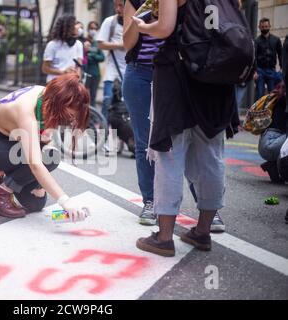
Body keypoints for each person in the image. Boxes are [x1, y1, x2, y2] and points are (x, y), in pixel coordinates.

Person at [133, 0, 236, 257]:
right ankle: (202, 231)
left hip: (178, 74)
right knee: (211, 155)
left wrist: (144, 27)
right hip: (217, 76)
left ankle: (164, 237)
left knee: (169, 153)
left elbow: (165, 28)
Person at [0, 73, 91, 219]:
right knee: (50, 158)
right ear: (60, 104)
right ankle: (0, 192)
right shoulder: (26, 110)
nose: (70, 120)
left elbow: (45, 143)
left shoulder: (47, 97)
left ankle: (0, 177)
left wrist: (38, 184)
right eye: (70, 115)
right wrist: (65, 201)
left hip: (12, 142)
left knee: (36, 203)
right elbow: (35, 163)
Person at [123, 0, 164, 226]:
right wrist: (140, 17)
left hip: (171, 73)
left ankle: (207, 206)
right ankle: (150, 201)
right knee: (144, 142)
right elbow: (128, 44)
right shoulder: (136, 1)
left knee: (183, 141)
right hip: (139, 74)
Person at [97, 0, 127, 123]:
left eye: (121, 5)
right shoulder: (110, 22)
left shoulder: (137, 22)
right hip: (112, 70)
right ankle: (104, 135)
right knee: (107, 101)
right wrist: (119, 46)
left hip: (130, 70)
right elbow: (101, 44)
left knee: (127, 105)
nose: (117, 9)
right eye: (115, 5)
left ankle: (125, 135)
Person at [42, 15, 83, 83]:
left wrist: (78, 80)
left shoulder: (78, 44)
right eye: (75, 24)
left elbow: (79, 66)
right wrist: (63, 72)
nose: (78, 26)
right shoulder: (52, 45)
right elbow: (45, 68)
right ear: (68, 27)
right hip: (55, 83)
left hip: (71, 84)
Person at [255, 18, 283, 100]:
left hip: (271, 70)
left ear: (270, 26)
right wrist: (255, 71)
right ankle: (258, 112)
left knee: (272, 93)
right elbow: (254, 57)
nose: (264, 28)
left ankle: (271, 112)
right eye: (263, 27)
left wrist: (282, 67)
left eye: (266, 26)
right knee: (260, 93)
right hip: (260, 70)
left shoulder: (276, 40)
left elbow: (281, 54)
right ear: (259, 27)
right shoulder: (256, 41)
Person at [84, 21, 104, 106]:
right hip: (85, 73)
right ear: (88, 29)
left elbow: (102, 57)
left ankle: (93, 117)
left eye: (95, 29)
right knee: (83, 96)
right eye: (91, 28)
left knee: (93, 96)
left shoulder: (97, 43)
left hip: (95, 73)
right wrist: (92, 55)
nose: (93, 30)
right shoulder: (83, 42)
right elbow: (83, 58)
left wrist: (92, 55)